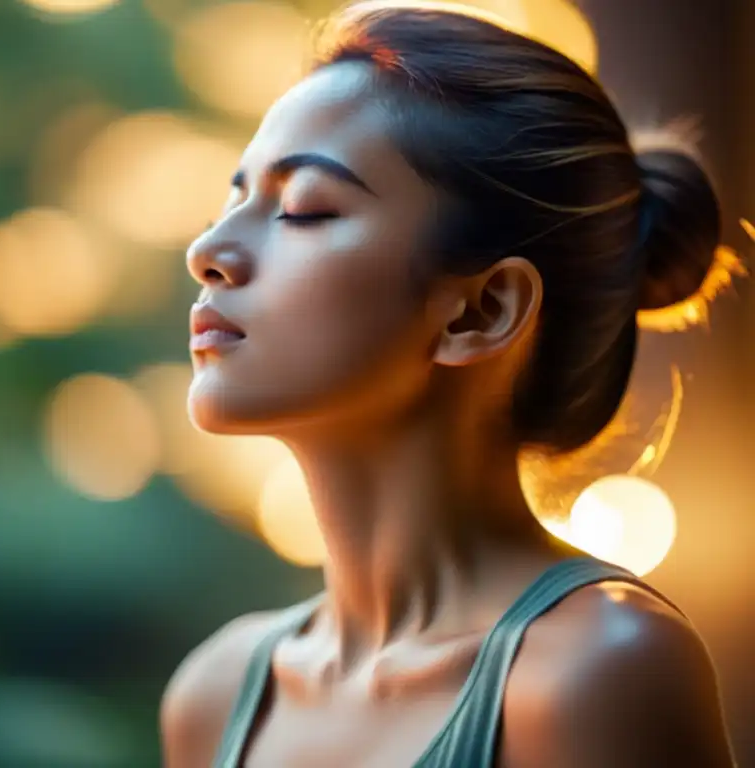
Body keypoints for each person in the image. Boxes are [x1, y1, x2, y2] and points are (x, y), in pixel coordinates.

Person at [162, 2, 738, 766]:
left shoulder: (600, 672)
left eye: (303, 208)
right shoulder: (216, 693)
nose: (209, 250)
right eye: (235, 200)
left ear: (482, 310)